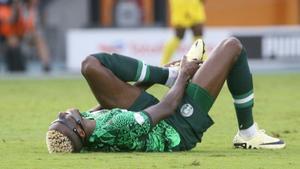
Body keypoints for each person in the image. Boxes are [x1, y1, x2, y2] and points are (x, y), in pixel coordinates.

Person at [46, 37, 286, 153]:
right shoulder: (116, 125)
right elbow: (166, 107)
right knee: (232, 47)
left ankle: (166, 73)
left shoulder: (88, 124)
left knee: (90, 65)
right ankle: (248, 133)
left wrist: (163, 76)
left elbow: (127, 100)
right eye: (64, 119)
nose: (61, 113)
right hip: (176, 128)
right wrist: (183, 74)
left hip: (154, 120)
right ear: (77, 129)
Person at [160, 0, 206, 65]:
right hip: (184, 8)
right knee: (179, 37)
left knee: (198, 37)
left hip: (191, 8)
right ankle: (163, 63)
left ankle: (204, 62)